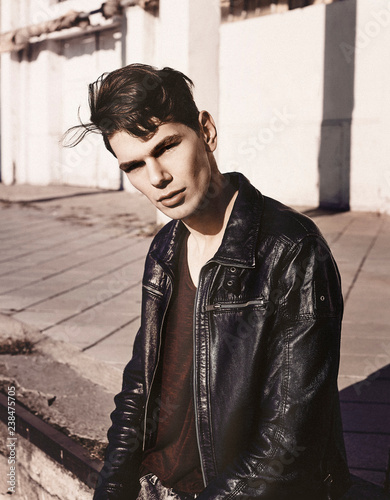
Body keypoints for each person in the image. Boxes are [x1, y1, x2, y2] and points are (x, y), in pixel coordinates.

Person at [66, 63, 350, 499]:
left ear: (207, 132)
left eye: (167, 147)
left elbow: (286, 443)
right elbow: (139, 390)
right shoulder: (165, 247)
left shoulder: (290, 250)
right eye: (135, 166)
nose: (157, 178)